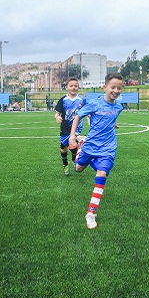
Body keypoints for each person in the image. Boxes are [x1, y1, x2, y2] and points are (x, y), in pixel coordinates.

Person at [69, 73, 124, 229]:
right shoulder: (95, 104)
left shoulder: (119, 107)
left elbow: (110, 118)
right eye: (113, 87)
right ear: (105, 88)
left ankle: (91, 212)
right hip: (90, 146)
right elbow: (78, 116)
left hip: (108, 148)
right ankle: (81, 146)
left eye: (119, 88)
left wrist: (113, 124)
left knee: (102, 174)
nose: (116, 90)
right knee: (78, 169)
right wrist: (73, 136)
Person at [54, 77, 88, 176]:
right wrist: (57, 117)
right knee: (63, 149)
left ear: (78, 87)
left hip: (77, 128)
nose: (73, 88)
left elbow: (88, 112)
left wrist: (90, 120)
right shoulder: (63, 100)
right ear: (67, 87)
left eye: (75, 86)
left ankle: (75, 157)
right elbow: (57, 113)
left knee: (73, 145)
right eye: (71, 86)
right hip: (65, 128)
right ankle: (65, 164)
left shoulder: (82, 99)